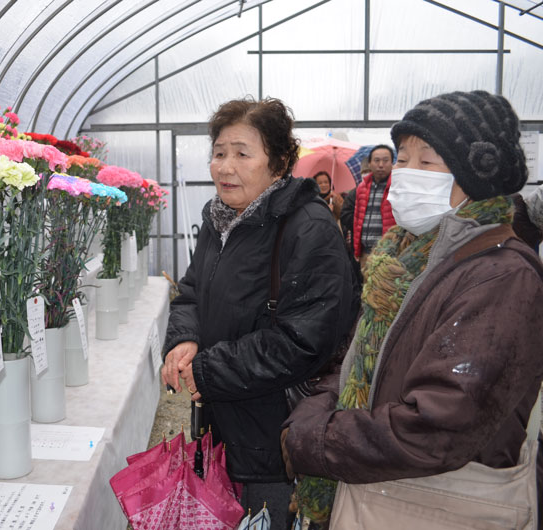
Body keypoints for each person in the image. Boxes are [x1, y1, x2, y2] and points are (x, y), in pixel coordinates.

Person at [281, 90, 543, 529]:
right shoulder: (405, 258)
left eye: (427, 162)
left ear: (475, 176)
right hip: (382, 492)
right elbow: (361, 361)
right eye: (402, 158)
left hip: (439, 505)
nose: (404, 173)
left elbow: (438, 425)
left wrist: (318, 439)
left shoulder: (502, 276)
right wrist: (315, 410)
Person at [160, 97, 356, 528]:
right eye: (219, 152)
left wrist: (207, 372)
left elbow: (304, 339)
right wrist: (184, 338)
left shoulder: (308, 228)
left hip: (273, 437)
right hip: (224, 424)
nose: (225, 166)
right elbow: (191, 291)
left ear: (281, 161)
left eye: (242, 154)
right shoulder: (219, 220)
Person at [351, 144, 396, 269]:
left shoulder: (398, 186)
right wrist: (357, 250)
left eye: (385, 160)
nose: (381, 165)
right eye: (376, 160)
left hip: (389, 254)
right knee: (365, 287)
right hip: (366, 253)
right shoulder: (362, 187)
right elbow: (357, 220)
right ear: (369, 163)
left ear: (392, 163)